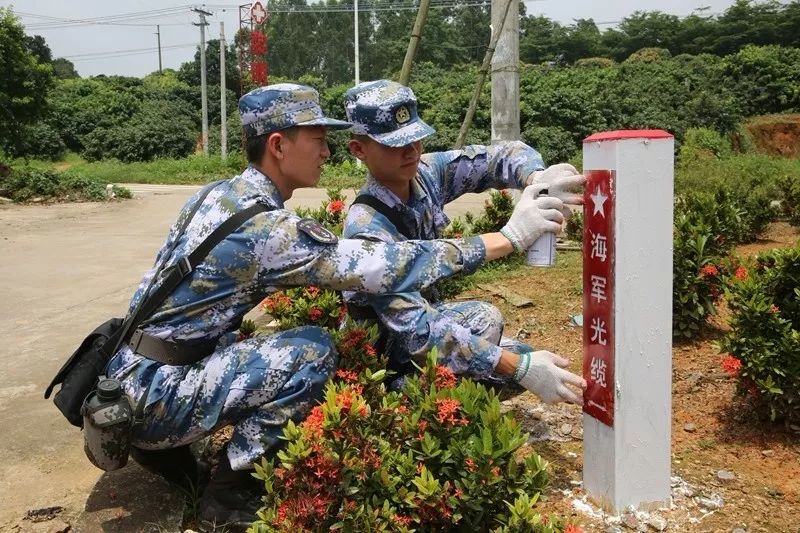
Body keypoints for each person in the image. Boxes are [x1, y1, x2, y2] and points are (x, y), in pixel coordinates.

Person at [103, 83, 566, 528]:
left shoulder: (221, 195)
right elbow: (380, 266)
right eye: (319, 140)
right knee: (311, 351)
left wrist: (538, 177)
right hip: (153, 394)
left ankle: (166, 444)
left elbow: (492, 158)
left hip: (135, 374)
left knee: (263, 342)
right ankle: (228, 493)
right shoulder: (269, 231)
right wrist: (508, 239)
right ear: (279, 146)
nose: (327, 152)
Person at [342, 79, 587, 404]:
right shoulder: (367, 228)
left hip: (419, 326)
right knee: (489, 326)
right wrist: (520, 368)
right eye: (393, 144)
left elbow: (499, 156)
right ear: (359, 149)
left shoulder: (424, 174)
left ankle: (450, 401)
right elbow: (419, 333)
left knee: (514, 351)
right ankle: (411, 406)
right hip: (383, 359)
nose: (410, 151)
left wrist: (537, 178)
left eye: (415, 137)